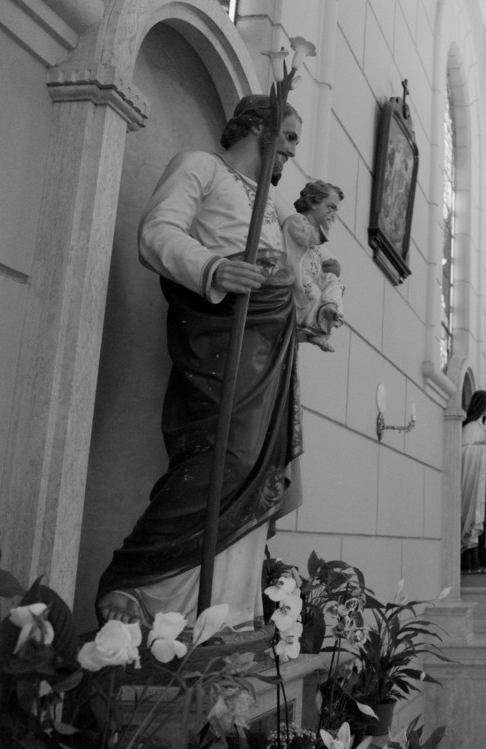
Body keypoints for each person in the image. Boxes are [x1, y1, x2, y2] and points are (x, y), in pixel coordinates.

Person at [96, 95, 308, 627]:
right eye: (288, 137)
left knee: (261, 466)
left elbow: (293, 274)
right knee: (224, 457)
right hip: (219, 336)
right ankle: (147, 584)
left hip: (268, 344)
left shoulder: (273, 205)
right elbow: (156, 233)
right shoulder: (201, 167)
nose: (289, 153)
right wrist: (214, 267)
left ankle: (227, 614)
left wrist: (306, 302)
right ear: (258, 127)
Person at [284, 180, 345, 351]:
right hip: (297, 275)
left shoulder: (315, 232)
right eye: (330, 207)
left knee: (334, 281)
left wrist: (328, 267)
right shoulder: (297, 221)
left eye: (335, 210)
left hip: (311, 275)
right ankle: (315, 328)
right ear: (312, 202)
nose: (333, 214)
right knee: (315, 293)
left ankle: (330, 309)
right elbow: (306, 238)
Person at [460, 390, 486, 573]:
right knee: (477, 519)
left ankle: (485, 560)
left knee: (485, 520)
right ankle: (471, 561)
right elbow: (464, 452)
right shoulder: (470, 428)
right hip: (475, 483)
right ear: (481, 405)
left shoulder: (483, 429)